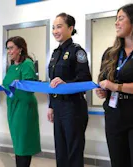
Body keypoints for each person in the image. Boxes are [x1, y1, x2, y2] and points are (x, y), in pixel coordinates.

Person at [47, 13, 92, 167]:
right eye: (53, 27)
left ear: (70, 28)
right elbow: (52, 84)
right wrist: (51, 106)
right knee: (60, 150)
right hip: (59, 106)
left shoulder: (77, 52)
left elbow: (85, 79)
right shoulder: (55, 53)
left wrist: (66, 82)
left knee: (73, 150)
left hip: (74, 108)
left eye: (59, 26)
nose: (55, 31)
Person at [96, 4, 133, 167]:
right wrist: (103, 90)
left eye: (121, 18)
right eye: (116, 19)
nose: (116, 23)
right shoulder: (110, 53)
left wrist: (115, 87)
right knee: (118, 161)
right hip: (114, 115)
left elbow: (113, 85)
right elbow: (103, 80)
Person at [3, 36, 41, 167]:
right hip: (13, 107)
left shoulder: (27, 64)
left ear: (20, 49)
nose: (9, 51)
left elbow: (29, 88)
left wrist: (17, 85)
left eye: (11, 48)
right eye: (8, 48)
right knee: (18, 143)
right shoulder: (12, 67)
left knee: (23, 144)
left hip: (24, 108)